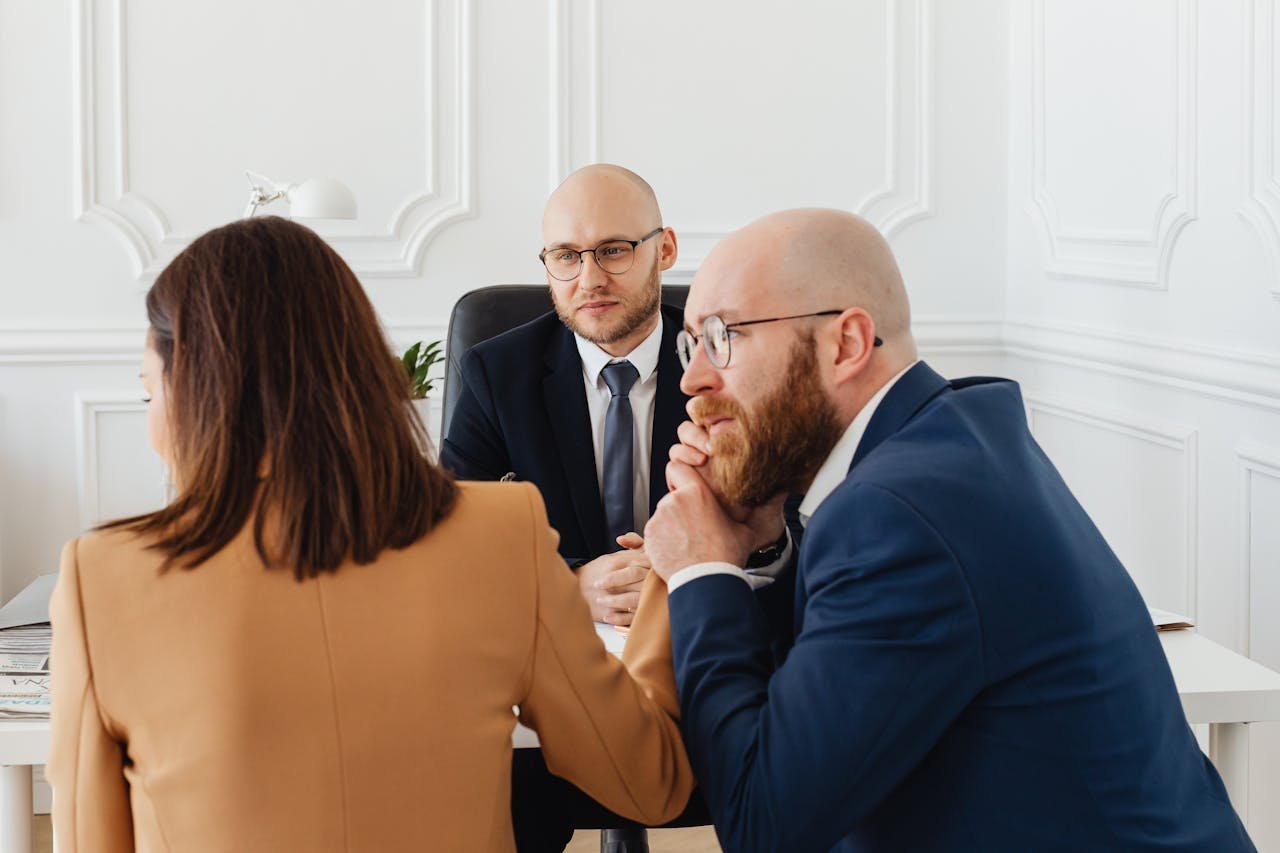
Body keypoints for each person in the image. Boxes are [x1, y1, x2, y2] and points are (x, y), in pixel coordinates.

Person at [46, 216, 693, 852]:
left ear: (191, 392)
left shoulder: (100, 577)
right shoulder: (504, 533)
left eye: (146, 397)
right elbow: (649, 784)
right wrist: (669, 565)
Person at [632, 208, 1255, 851]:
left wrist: (702, 569)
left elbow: (763, 822)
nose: (692, 378)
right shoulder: (949, 440)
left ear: (844, 344)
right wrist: (755, 543)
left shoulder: (897, 512)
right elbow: (825, 697)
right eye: (691, 343)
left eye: (721, 336)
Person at [440, 164, 794, 851]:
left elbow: (790, 524)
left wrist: (686, 573)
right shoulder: (496, 370)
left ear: (663, 249)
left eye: (612, 250)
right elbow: (452, 533)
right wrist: (570, 583)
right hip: (558, 665)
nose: (589, 278)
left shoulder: (731, 362)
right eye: (567, 256)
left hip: (704, 640)